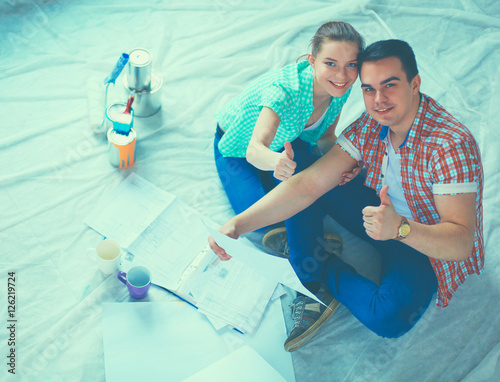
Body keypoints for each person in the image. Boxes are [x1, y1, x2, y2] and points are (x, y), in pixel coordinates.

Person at [209, 39, 484, 352]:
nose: (379, 99)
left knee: (388, 317)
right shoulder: (372, 122)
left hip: (423, 242)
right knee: (306, 166)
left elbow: (462, 242)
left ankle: (321, 268)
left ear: (414, 83)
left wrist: (400, 228)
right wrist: (236, 226)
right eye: (368, 89)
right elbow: (307, 184)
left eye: (389, 85)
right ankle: (308, 267)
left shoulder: (452, 146)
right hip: (377, 209)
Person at [214, 21, 364, 235]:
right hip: (237, 145)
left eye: (351, 64)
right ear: (312, 61)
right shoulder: (283, 91)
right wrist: (276, 162)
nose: (342, 75)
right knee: (262, 221)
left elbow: (326, 137)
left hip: (286, 141)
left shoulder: (341, 89)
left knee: (316, 200)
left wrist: (348, 162)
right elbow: (254, 149)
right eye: (330, 63)